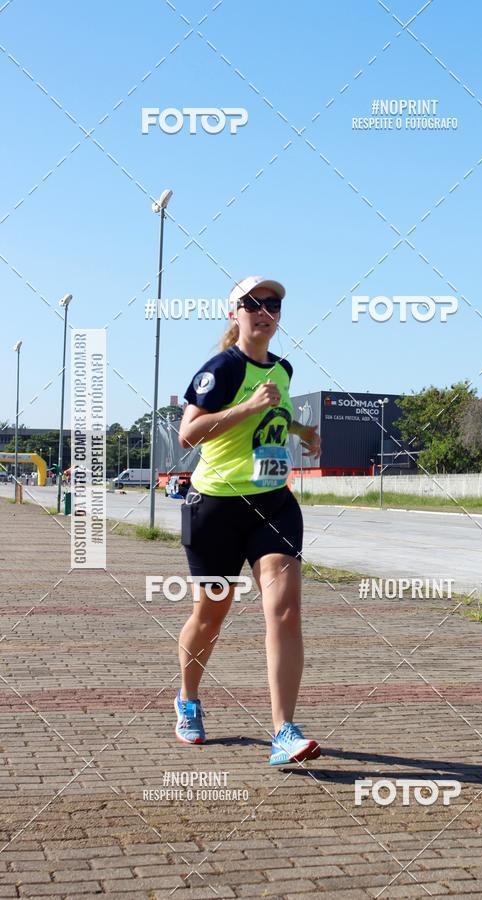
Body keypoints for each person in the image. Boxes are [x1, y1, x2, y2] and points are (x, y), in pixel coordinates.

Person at [177, 275, 321, 765]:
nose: (264, 312)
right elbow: (188, 434)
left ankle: (284, 731)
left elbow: (271, 415)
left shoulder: (283, 369)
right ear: (234, 313)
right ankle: (188, 699)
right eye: (253, 304)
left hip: (273, 506)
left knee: (285, 611)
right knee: (210, 615)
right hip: (215, 508)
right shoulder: (221, 368)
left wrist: (302, 430)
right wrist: (248, 405)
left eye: (273, 305)